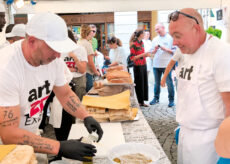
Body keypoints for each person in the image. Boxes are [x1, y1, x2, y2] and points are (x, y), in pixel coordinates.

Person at [0, 12, 103, 163]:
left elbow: (65, 94)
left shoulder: (53, 60)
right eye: (53, 48)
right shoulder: (6, 68)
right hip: (5, 148)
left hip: (31, 135)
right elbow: (9, 134)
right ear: (32, 41)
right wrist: (59, 147)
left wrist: (85, 116)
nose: (58, 55)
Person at [168, 8, 230, 164]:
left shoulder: (220, 53)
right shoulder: (185, 51)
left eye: (178, 36)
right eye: (172, 37)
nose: (174, 42)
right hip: (186, 134)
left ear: (196, 28)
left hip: (209, 142)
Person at [149, 23, 175, 107]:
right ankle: (156, 98)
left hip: (167, 65)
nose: (156, 31)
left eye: (158, 29)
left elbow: (174, 52)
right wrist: (155, 50)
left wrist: (165, 49)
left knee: (169, 82)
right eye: (155, 29)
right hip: (156, 65)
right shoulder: (155, 39)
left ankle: (171, 100)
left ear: (163, 28)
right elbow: (151, 53)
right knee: (156, 83)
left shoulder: (170, 38)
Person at [129, 29, 151, 107]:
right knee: (139, 84)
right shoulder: (133, 44)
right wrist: (143, 54)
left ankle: (142, 101)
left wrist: (146, 55)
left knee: (144, 83)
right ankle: (139, 101)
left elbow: (142, 54)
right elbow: (132, 58)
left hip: (144, 64)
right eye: (144, 33)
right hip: (137, 66)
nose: (145, 34)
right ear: (140, 34)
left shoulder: (142, 43)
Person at [78, 24, 100, 92]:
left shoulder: (79, 42)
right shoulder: (87, 44)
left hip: (80, 73)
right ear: (89, 32)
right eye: (92, 31)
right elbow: (90, 62)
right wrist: (96, 72)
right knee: (89, 94)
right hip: (87, 73)